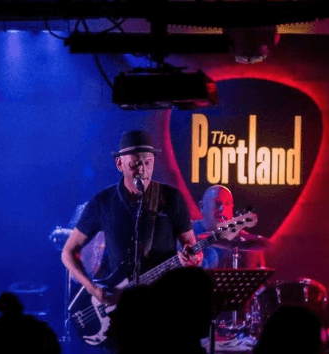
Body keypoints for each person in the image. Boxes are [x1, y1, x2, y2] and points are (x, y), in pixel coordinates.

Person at [62, 130, 202, 306]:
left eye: (148, 163)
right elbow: (68, 252)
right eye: (135, 164)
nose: (142, 170)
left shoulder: (172, 198)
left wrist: (194, 258)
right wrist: (93, 289)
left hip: (163, 301)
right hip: (118, 304)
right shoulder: (103, 202)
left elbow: (194, 248)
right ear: (120, 164)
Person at [193, 185, 266, 269]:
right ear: (201, 207)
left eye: (227, 204)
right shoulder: (185, 232)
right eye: (217, 203)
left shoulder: (244, 240)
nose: (222, 209)